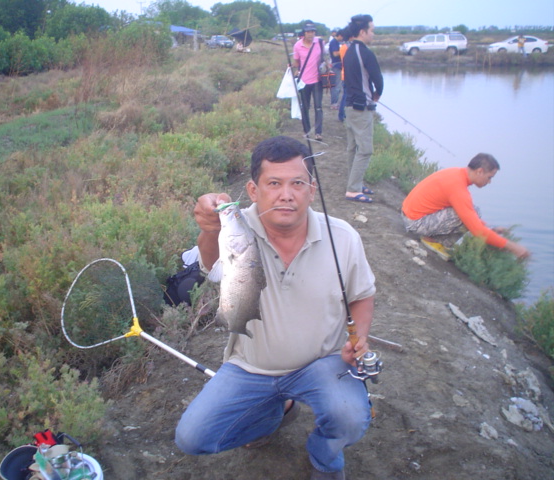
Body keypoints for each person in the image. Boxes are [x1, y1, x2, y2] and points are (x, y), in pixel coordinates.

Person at [175, 136, 376, 480]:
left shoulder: (343, 237)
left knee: (351, 418)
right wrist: (209, 227)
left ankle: (325, 459)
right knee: (192, 438)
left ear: (312, 189)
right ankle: (276, 413)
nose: (286, 194)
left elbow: (362, 294)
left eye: (297, 183)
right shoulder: (237, 226)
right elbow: (211, 264)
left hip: (322, 363)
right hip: (250, 366)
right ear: (253, 191)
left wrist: (360, 336)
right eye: (274, 183)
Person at [401, 153, 530, 260]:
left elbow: (470, 215)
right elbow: (477, 231)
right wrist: (513, 247)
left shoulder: (456, 173)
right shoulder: (458, 188)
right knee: (465, 216)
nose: (489, 182)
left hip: (410, 215)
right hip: (415, 223)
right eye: (489, 177)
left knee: (473, 212)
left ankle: (434, 240)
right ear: (480, 171)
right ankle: (433, 241)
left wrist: (491, 228)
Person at [343, 14, 383, 204]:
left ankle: (355, 183)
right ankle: (353, 189)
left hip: (349, 106)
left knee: (353, 147)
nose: (373, 34)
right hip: (361, 108)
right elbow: (378, 80)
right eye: (372, 30)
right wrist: (377, 94)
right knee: (365, 149)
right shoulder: (365, 52)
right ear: (362, 32)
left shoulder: (349, 50)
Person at [293, 23, 325, 141]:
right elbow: (296, 62)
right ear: (304, 33)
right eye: (308, 32)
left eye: (312, 31)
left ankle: (318, 132)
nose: (310, 34)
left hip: (317, 80)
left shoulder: (320, 43)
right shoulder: (297, 46)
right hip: (303, 81)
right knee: (305, 107)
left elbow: (324, 58)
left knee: (318, 107)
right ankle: (306, 131)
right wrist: (292, 67)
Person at [328, 29, 343, 110]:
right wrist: (344, 50)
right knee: (336, 86)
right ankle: (334, 104)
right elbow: (335, 53)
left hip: (337, 66)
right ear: (339, 35)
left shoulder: (336, 42)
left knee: (337, 86)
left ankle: (335, 103)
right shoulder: (334, 42)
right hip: (336, 66)